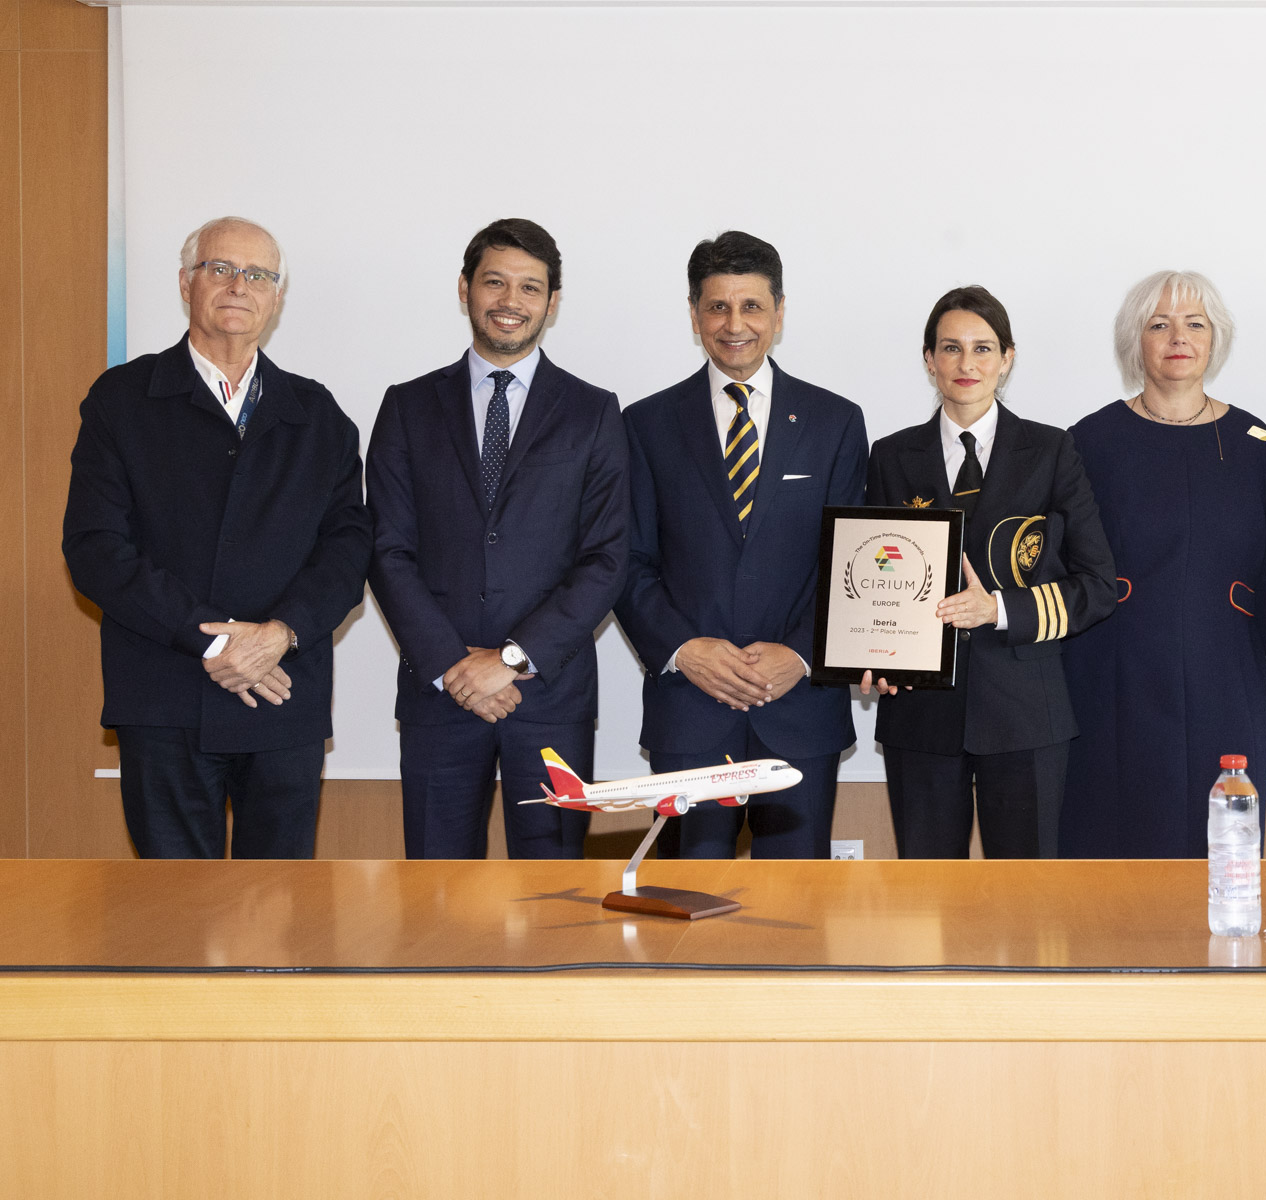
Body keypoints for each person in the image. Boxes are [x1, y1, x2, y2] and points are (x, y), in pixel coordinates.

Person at [63, 216, 371, 858]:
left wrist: (279, 634)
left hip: (283, 690)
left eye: (258, 274)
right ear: (186, 283)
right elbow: (96, 548)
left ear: (277, 296)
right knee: (172, 917)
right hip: (166, 690)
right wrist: (218, 639)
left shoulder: (317, 414)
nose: (239, 286)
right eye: (220, 269)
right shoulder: (121, 399)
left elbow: (346, 551)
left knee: (280, 914)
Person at [366, 218, 630, 859]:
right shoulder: (407, 406)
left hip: (548, 696)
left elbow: (606, 557)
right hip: (440, 693)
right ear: (464, 289)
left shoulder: (593, 412)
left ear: (552, 302)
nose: (511, 302)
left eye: (530, 288)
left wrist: (509, 659)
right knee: (434, 897)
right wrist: (457, 666)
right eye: (495, 282)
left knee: (553, 896)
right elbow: (386, 549)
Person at [615, 231, 867, 859]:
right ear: (695, 314)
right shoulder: (644, 425)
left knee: (795, 914)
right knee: (688, 906)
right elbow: (627, 562)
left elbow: (853, 568)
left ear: (779, 312)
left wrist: (803, 656)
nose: (735, 324)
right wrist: (684, 649)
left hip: (800, 708)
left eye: (752, 306)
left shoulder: (836, 422)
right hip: (690, 710)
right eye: (717, 307)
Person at [861, 285, 1115, 859]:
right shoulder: (890, 456)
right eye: (950, 348)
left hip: (1027, 713)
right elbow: (873, 579)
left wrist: (997, 609)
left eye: (982, 348)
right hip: (920, 715)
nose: (966, 363)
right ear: (929, 360)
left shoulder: (1052, 452)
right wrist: (872, 653)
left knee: (1029, 905)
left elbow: (1097, 585)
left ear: (1008, 358)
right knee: (927, 906)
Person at [1058, 271, 1266, 858]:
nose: (1177, 337)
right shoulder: (1089, 441)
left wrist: (1229, 637)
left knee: (1221, 850)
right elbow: (1069, 567)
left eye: (1194, 324)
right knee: (1115, 841)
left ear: (1216, 339)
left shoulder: (1256, 444)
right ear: (1136, 341)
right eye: (1158, 325)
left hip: (1225, 678)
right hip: (1114, 677)